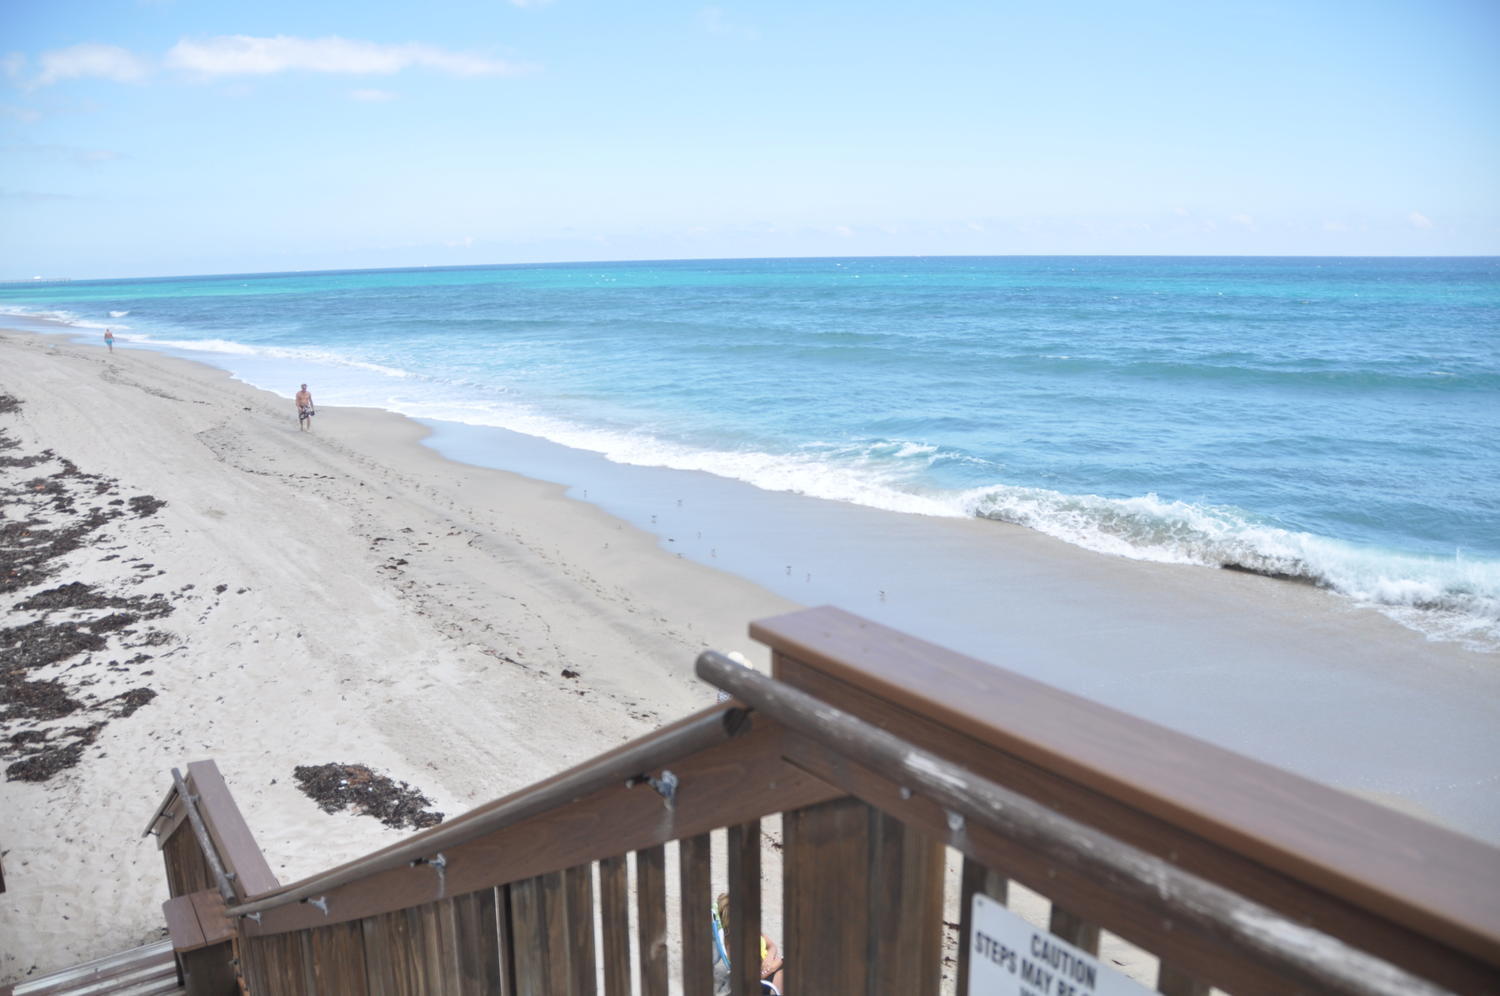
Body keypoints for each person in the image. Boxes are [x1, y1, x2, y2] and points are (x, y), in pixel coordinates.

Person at [711, 893, 785, 994]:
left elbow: (772, 946)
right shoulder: (733, 946)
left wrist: (770, 957)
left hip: (772, 967)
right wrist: (776, 964)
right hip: (766, 979)